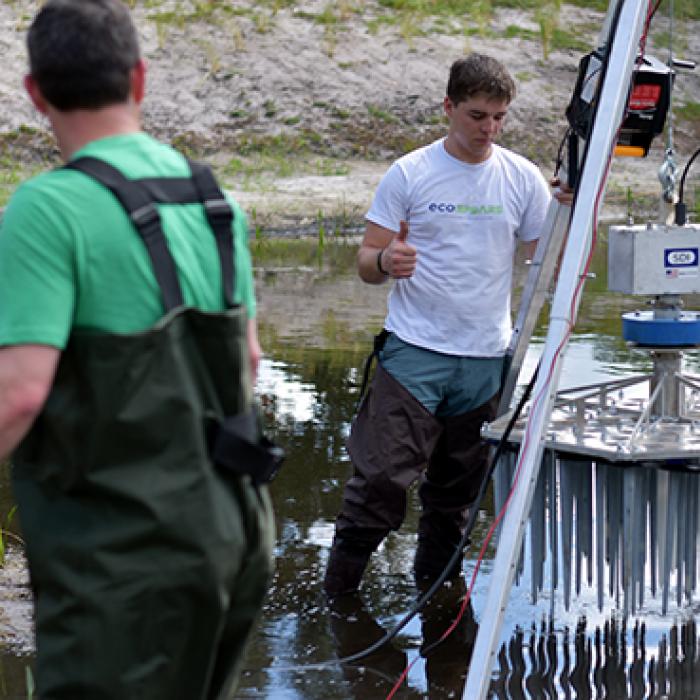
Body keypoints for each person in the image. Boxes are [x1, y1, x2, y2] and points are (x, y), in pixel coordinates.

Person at [0, 1, 276, 698]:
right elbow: (247, 364)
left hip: (124, 560)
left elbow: (19, 394)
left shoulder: (47, 210)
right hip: (233, 537)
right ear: (140, 79)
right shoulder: (215, 203)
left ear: (35, 93)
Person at [323, 53, 553, 596]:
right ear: (448, 107)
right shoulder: (411, 172)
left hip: (486, 359)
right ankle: (337, 600)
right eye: (477, 116)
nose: (489, 129)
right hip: (415, 354)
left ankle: (440, 608)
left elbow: (552, 258)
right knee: (379, 483)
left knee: (455, 499)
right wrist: (386, 262)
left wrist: (566, 211)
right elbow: (366, 260)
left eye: (499, 118)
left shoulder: (521, 177)